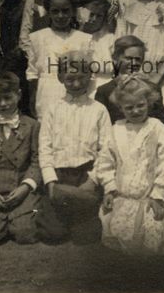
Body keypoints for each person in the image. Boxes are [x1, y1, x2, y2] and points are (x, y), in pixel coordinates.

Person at [0, 72, 66, 244]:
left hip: (21, 190)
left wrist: (25, 187)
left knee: (25, 234)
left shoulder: (32, 126)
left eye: (7, 98)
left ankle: (18, 218)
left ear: (18, 95)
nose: (3, 104)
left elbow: (37, 160)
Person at [96, 77, 164, 255]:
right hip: (122, 197)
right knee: (120, 238)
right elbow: (105, 162)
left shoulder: (156, 128)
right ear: (121, 108)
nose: (135, 111)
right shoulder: (116, 130)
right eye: (129, 107)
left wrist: (158, 195)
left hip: (149, 197)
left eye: (140, 105)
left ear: (149, 102)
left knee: (152, 235)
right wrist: (109, 188)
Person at [38, 50, 110, 244]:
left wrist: (93, 180)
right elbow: (44, 148)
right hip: (59, 175)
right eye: (70, 79)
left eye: (81, 78)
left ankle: (82, 216)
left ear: (90, 76)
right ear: (61, 78)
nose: (76, 84)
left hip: (86, 175)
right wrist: (50, 182)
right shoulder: (52, 109)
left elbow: (106, 151)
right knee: (52, 234)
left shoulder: (99, 110)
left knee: (86, 237)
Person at [25, 0, 91, 118]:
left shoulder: (84, 39)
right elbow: (32, 73)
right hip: (47, 93)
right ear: (48, 12)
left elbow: (89, 74)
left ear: (73, 12)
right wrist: (33, 98)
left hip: (76, 91)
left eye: (65, 11)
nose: (60, 16)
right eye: (55, 11)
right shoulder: (37, 38)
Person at [95, 35, 164, 127]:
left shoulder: (152, 87)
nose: (134, 63)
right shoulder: (104, 91)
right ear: (115, 58)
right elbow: (100, 124)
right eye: (128, 58)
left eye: (138, 59)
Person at [79, 0, 116, 89]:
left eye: (99, 16)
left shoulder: (110, 39)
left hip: (105, 88)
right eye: (91, 14)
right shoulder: (72, 37)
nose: (94, 19)